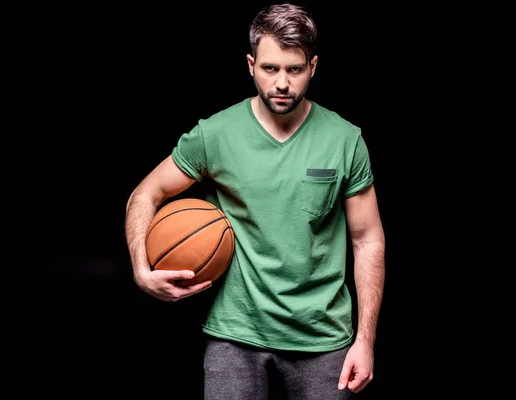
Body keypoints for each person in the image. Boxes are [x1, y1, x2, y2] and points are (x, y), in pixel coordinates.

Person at [125, 3, 385, 399]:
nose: (281, 83)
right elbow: (146, 193)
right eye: (270, 68)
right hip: (236, 336)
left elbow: (367, 240)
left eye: (294, 69)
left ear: (313, 66)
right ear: (250, 65)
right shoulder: (215, 135)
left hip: (324, 340)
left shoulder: (345, 139)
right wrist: (142, 270)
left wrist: (365, 340)